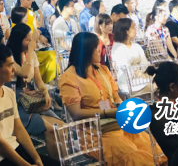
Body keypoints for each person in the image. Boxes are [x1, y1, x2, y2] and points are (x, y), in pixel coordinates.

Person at [59, 32, 164, 165]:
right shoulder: (68, 78)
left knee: (153, 148)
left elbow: (115, 96)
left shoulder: (102, 70)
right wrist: (108, 112)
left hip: (117, 122)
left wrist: (123, 109)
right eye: (96, 48)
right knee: (134, 156)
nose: (100, 51)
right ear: (85, 51)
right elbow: (76, 113)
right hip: (95, 133)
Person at [0, 43, 60, 165]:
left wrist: (37, 159)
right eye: (10, 65)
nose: (14, 69)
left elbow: (19, 129)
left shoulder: (9, 92)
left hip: (16, 148)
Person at [6, 24, 62, 136]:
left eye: (31, 38)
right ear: (18, 40)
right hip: (16, 99)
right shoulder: (8, 56)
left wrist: (45, 93)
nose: (31, 42)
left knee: (61, 127)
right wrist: (31, 51)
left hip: (30, 98)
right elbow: (24, 73)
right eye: (27, 40)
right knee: (51, 130)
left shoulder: (32, 55)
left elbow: (38, 80)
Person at [111, 18, 148, 95]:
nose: (136, 29)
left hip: (141, 78)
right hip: (127, 83)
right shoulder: (118, 48)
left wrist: (144, 73)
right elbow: (127, 70)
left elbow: (145, 63)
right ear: (126, 31)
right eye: (133, 27)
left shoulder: (135, 45)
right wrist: (142, 74)